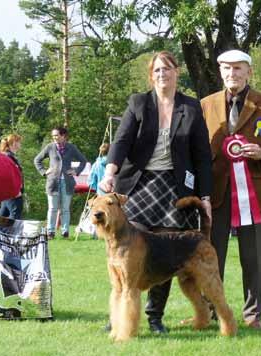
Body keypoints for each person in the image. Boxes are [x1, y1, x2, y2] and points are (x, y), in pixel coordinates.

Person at [99, 51, 212, 334]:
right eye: (157, 70)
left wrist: (206, 197)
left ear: (177, 73)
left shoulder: (191, 107)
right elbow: (122, 140)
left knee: (166, 254)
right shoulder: (139, 103)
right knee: (127, 249)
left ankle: (154, 317)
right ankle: (119, 317)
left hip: (175, 186)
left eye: (168, 69)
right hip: (139, 184)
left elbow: (202, 155)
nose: (163, 74)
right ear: (152, 75)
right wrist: (110, 171)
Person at [200, 49, 261, 330]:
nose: (232, 74)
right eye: (227, 69)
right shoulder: (205, 104)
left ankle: (253, 315)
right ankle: (210, 312)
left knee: (253, 259)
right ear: (220, 72)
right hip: (215, 195)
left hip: (252, 195)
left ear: (249, 72)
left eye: (238, 69)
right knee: (211, 258)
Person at [34, 127, 87, 239]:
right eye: (53, 136)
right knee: (52, 208)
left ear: (63, 136)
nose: (54, 138)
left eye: (57, 135)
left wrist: (76, 171)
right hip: (53, 182)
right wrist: (44, 171)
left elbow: (83, 161)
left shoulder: (71, 147)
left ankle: (65, 231)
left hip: (67, 183)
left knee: (65, 209)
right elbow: (37, 160)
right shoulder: (50, 147)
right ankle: (50, 232)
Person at [0, 134, 24, 219]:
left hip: (7, 193)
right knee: (15, 216)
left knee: (3, 216)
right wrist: (15, 190)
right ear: (14, 143)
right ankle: (10, 232)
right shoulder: (8, 156)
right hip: (12, 193)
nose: (20, 144)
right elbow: (7, 175)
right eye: (19, 142)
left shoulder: (9, 156)